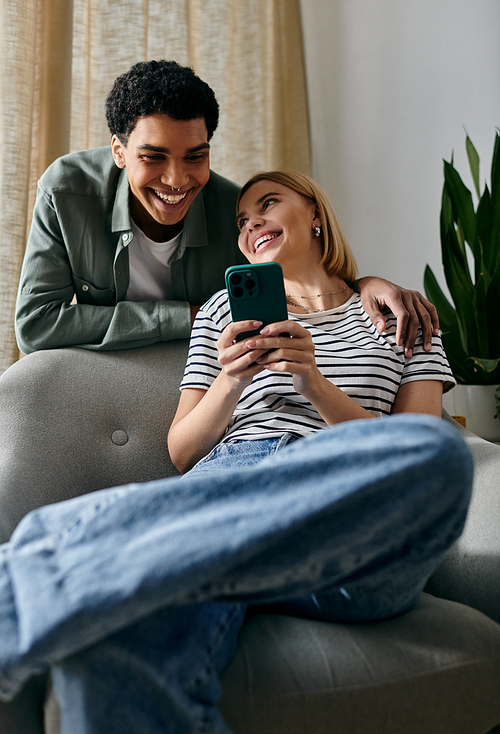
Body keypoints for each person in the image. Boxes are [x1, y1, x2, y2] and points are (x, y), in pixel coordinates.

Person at [0, 172, 473, 734]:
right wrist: (229, 378)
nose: (251, 226)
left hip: (347, 519)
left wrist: (314, 383)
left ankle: (31, 576)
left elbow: (412, 445)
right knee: (121, 640)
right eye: (242, 221)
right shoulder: (225, 310)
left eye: (267, 205)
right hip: (239, 476)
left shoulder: (403, 317)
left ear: (315, 212)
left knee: (442, 453)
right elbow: (181, 452)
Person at [15, 59, 438, 357]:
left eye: (195, 156)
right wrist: (189, 317)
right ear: (119, 152)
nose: (178, 180)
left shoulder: (235, 216)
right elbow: (35, 326)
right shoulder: (67, 191)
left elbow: (299, 286)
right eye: (154, 157)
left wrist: (365, 283)